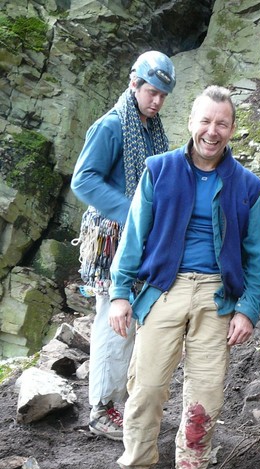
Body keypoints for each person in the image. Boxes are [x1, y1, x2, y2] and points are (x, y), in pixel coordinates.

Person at [108, 85, 260, 469]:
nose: (212, 131)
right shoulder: (158, 171)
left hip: (218, 294)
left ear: (232, 128)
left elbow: (258, 258)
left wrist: (248, 309)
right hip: (165, 286)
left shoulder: (248, 187)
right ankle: (135, 466)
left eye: (221, 123)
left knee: (206, 393)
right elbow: (134, 237)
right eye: (205, 121)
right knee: (147, 385)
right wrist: (121, 293)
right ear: (191, 122)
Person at [71, 51, 176, 441]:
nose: (157, 101)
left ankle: (121, 400)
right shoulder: (112, 126)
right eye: (151, 92)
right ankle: (102, 408)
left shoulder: (150, 128)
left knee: (131, 322)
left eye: (163, 95)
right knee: (113, 320)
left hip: (138, 239)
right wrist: (135, 209)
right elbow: (83, 181)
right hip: (112, 239)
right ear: (134, 85)